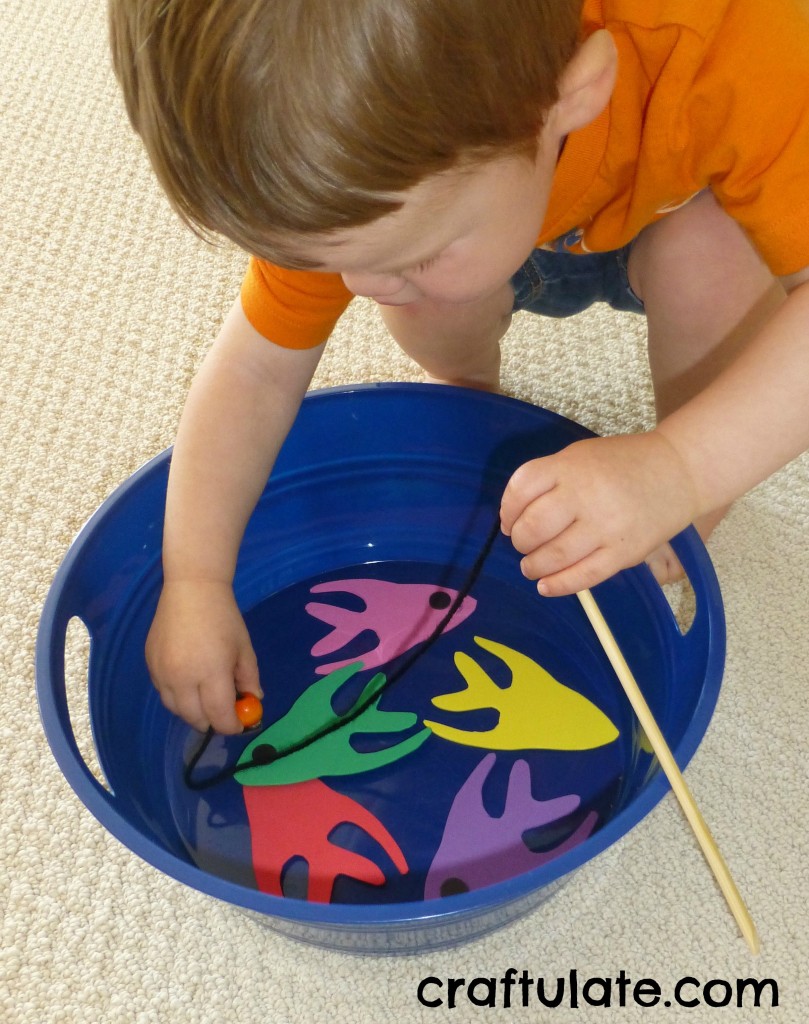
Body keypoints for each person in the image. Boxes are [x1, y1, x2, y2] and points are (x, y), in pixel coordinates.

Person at [109, 0, 809, 734]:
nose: (359, 291)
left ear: (577, 91)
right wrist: (194, 578)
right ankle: (470, 396)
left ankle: (682, 514)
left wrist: (678, 469)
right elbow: (254, 374)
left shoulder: (739, 44)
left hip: (691, 190)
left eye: (406, 254)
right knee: (419, 296)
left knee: (706, 260)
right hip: (512, 192)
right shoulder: (353, 162)